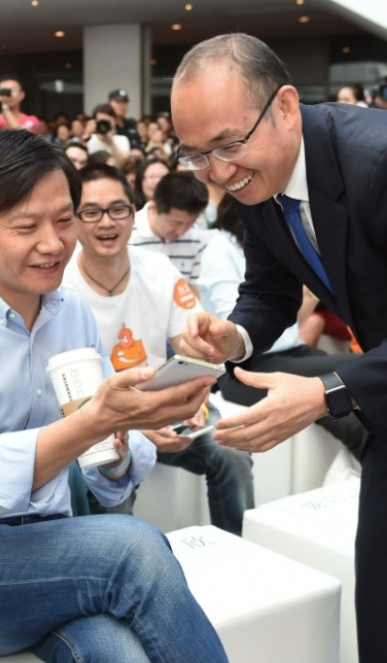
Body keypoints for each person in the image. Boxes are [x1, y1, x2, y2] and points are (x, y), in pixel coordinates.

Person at [170, 33, 387, 663]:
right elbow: (269, 292)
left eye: (228, 145)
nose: (218, 173)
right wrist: (236, 335)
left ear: (285, 107)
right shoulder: (256, 176)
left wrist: (325, 393)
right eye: (196, 155)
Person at [0, 129, 227, 661]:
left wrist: (117, 441)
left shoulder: (72, 313)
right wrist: (93, 423)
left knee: (118, 654)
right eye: (26, 227)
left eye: (65, 221)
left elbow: (106, 477)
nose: (53, 243)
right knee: (133, 548)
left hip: (55, 552)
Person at [63, 163, 255, 535]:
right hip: (102, 420)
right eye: (91, 212)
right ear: (72, 220)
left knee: (231, 451)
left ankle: (237, 550)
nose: (107, 222)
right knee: (111, 478)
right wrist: (137, 426)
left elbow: (194, 346)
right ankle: (122, 562)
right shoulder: (60, 285)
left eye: (118, 209)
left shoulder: (158, 269)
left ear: (134, 212)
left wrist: (193, 398)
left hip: (166, 406)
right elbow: (72, 399)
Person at [197, 194, 366, 459]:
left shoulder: (270, 245)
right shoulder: (221, 248)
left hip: (290, 353)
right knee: (356, 373)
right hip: (247, 367)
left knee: (359, 385)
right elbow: (237, 319)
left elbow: (285, 315)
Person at [129, 170, 211, 291]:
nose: (181, 232)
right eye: (176, 223)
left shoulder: (196, 239)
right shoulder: (128, 235)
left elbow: (193, 289)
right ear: (154, 208)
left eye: (190, 223)